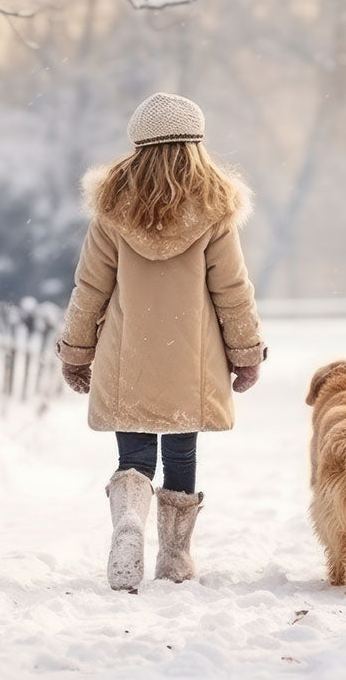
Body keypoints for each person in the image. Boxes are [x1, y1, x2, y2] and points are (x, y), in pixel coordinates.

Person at [57, 92, 266, 591]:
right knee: (180, 454)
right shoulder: (215, 213)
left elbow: (90, 289)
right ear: (196, 145)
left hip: (126, 356)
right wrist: (246, 354)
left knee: (134, 457)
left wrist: (76, 353)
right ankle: (174, 555)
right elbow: (232, 291)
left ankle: (129, 523)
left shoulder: (110, 211)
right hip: (189, 361)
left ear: (138, 147)